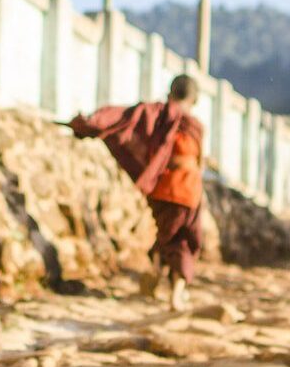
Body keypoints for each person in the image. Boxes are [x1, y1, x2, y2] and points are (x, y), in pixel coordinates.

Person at [65, 75, 206, 312]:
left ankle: (156, 274)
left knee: (167, 236)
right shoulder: (195, 127)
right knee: (183, 240)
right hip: (189, 190)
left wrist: (92, 124)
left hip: (163, 189)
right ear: (193, 99)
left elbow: (124, 120)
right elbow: (199, 162)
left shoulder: (158, 115)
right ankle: (175, 295)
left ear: (171, 93)